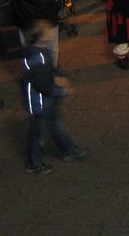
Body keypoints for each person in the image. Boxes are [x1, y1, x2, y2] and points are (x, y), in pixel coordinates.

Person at [22, 20, 87, 174]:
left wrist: (59, 77)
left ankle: (68, 150)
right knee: (37, 135)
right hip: (39, 103)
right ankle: (34, 163)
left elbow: (50, 70)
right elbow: (43, 85)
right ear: (41, 36)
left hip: (47, 101)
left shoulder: (40, 51)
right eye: (48, 31)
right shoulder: (36, 57)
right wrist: (62, 91)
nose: (52, 32)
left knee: (57, 125)